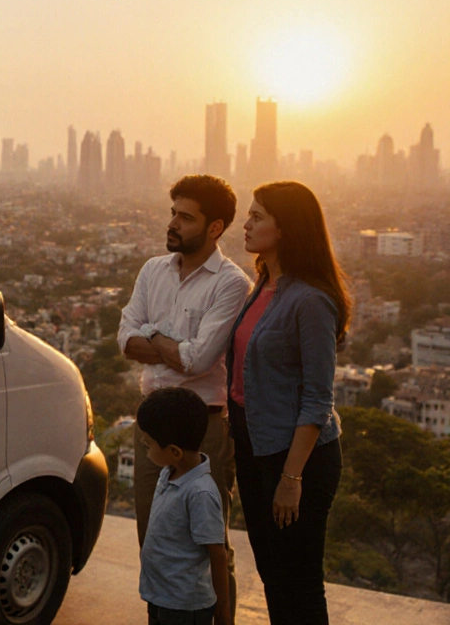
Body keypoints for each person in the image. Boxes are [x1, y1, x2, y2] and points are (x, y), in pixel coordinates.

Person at [118, 174, 250, 620]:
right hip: (152, 424)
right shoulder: (153, 270)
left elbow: (200, 360)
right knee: (152, 534)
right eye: (173, 212)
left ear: (215, 228)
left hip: (203, 428)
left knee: (211, 543)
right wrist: (170, 347)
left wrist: (150, 336)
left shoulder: (231, 284)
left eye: (185, 216)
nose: (173, 223)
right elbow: (124, 339)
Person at [226, 181, 348, 625]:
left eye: (258, 217)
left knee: (299, 580)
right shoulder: (263, 283)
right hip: (256, 446)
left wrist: (291, 478)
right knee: (274, 574)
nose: (247, 223)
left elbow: (317, 398)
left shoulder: (310, 300)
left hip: (296, 458)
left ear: (287, 228)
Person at [136, 387, 230, 625]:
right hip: (159, 596)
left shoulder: (200, 493)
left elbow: (218, 555)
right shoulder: (169, 473)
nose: (144, 448)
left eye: (148, 445)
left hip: (185, 609)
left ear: (174, 452)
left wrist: (223, 614)